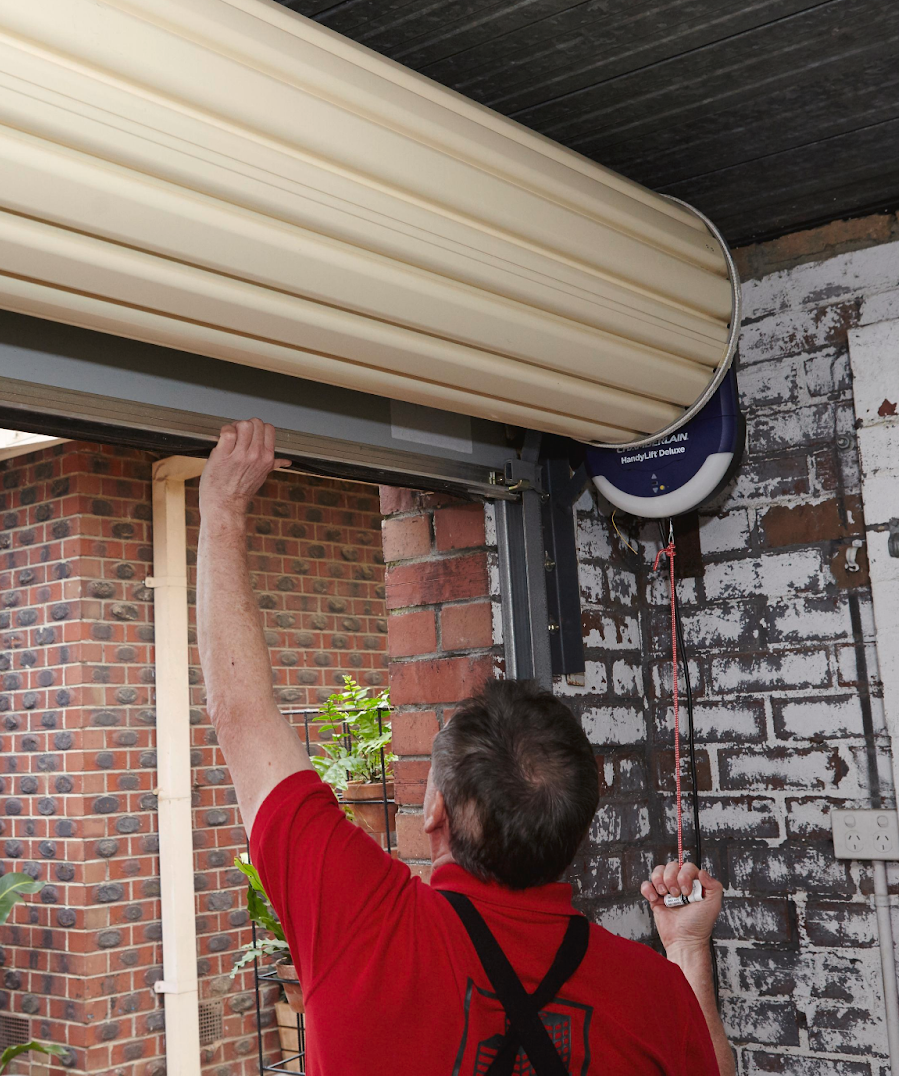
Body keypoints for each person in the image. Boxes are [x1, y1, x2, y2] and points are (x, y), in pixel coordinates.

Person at [197, 418, 735, 1076]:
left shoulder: (366, 928)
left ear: (435, 817)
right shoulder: (650, 993)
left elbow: (242, 714)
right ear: (575, 829)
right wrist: (685, 949)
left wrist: (223, 504)